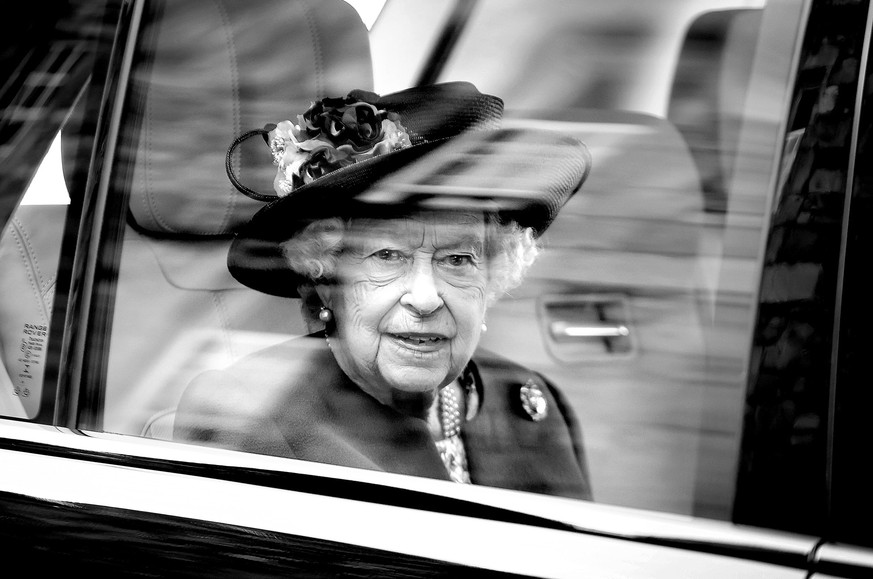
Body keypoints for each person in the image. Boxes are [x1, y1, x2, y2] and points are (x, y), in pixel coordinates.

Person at [174, 81, 593, 500]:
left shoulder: (529, 401)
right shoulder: (249, 415)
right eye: (388, 255)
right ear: (325, 279)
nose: (426, 298)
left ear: (492, 277)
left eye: (458, 260)